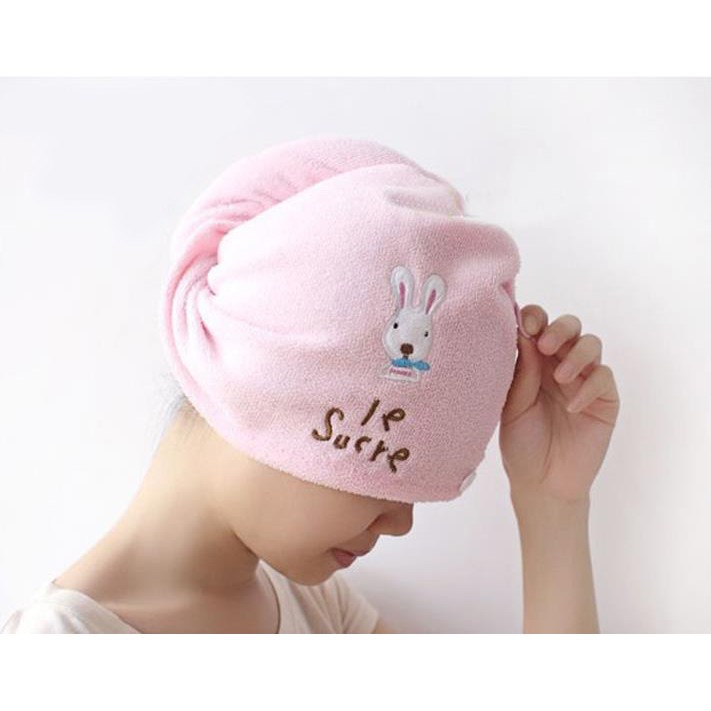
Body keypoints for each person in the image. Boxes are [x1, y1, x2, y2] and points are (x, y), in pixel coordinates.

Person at [1, 136, 620, 633]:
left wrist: (553, 505)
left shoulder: (322, 611)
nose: (400, 524)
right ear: (259, 389)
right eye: (388, 469)